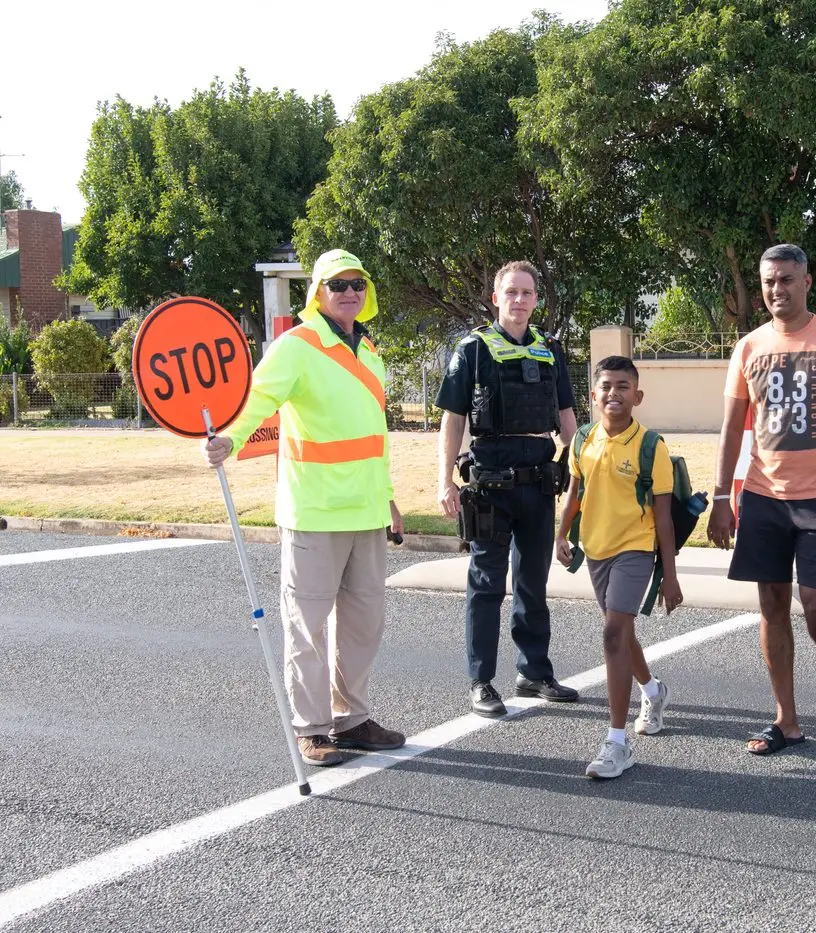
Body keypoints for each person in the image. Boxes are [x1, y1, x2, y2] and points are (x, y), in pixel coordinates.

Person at [203, 249, 405, 767]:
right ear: (318, 292)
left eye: (357, 283)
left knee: (364, 624)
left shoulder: (371, 352)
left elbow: (374, 438)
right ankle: (312, 728)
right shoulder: (297, 346)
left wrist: (388, 498)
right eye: (337, 284)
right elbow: (258, 398)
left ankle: (352, 718)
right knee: (307, 627)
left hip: (365, 512)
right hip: (314, 510)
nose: (349, 292)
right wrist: (229, 437)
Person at [708, 243, 816, 755]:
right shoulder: (749, 347)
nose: (776, 289)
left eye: (786, 280)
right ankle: (785, 718)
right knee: (772, 603)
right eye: (768, 282)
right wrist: (720, 496)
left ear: (806, 282)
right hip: (762, 495)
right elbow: (732, 427)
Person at [437, 260, 580, 718]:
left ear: (537, 299)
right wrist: (444, 480)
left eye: (528, 293)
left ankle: (534, 672)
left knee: (533, 582)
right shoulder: (473, 350)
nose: (520, 300)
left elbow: (566, 418)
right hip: (490, 487)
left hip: (539, 485)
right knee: (486, 584)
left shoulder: (550, 350)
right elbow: (453, 418)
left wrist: (580, 471)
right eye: (511, 292)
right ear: (496, 298)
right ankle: (481, 681)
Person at [555, 356, 683, 779]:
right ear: (593, 394)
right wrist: (561, 535)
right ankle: (653, 690)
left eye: (623, 386)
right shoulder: (582, 441)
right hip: (596, 549)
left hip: (635, 549)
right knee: (621, 631)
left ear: (638, 395)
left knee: (612, 633)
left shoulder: (651, 447)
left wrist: (670, 576)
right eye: (606, 386)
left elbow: (663, 517)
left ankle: (617, 742)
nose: (614, 393)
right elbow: (575, 492)